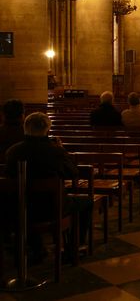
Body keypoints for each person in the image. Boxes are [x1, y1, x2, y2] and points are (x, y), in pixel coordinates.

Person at [6, 112, 90, 262]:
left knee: (29, 200)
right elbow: (73, 172)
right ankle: (73, 248)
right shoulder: (54, 151)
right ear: (47, 130)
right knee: (86, 202)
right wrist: (62, 149)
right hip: (51, 208)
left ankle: (37, 248)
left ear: (25, 128)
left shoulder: (13, 151)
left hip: (18, 208)